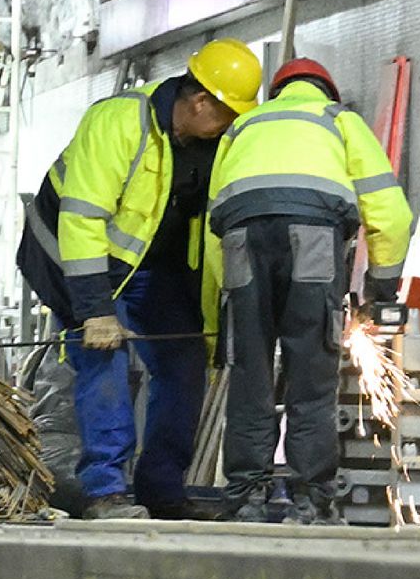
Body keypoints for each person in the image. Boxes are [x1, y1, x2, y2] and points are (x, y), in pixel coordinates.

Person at [18, 38, 260, 520]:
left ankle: (162, 490)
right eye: (228, 114)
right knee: (103, 358)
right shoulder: (118, 122)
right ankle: (103, 490)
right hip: (72, 255)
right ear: (199, 102)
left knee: (185, 360)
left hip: (148, 265)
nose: (231, 126)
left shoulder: (210, 143)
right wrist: (94, 310)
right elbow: (82, 221)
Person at [205, 58, 412, 524]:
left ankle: (245, 498)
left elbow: (211, 228)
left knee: (251, 372)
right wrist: (379, 290)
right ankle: (310, 500)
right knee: (311, 374)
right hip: (312, 236)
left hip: (241, 237)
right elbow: (392, 215)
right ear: (328, 90)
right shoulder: (339, 120)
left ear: (278, 92)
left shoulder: (242, 127)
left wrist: (221, 310)